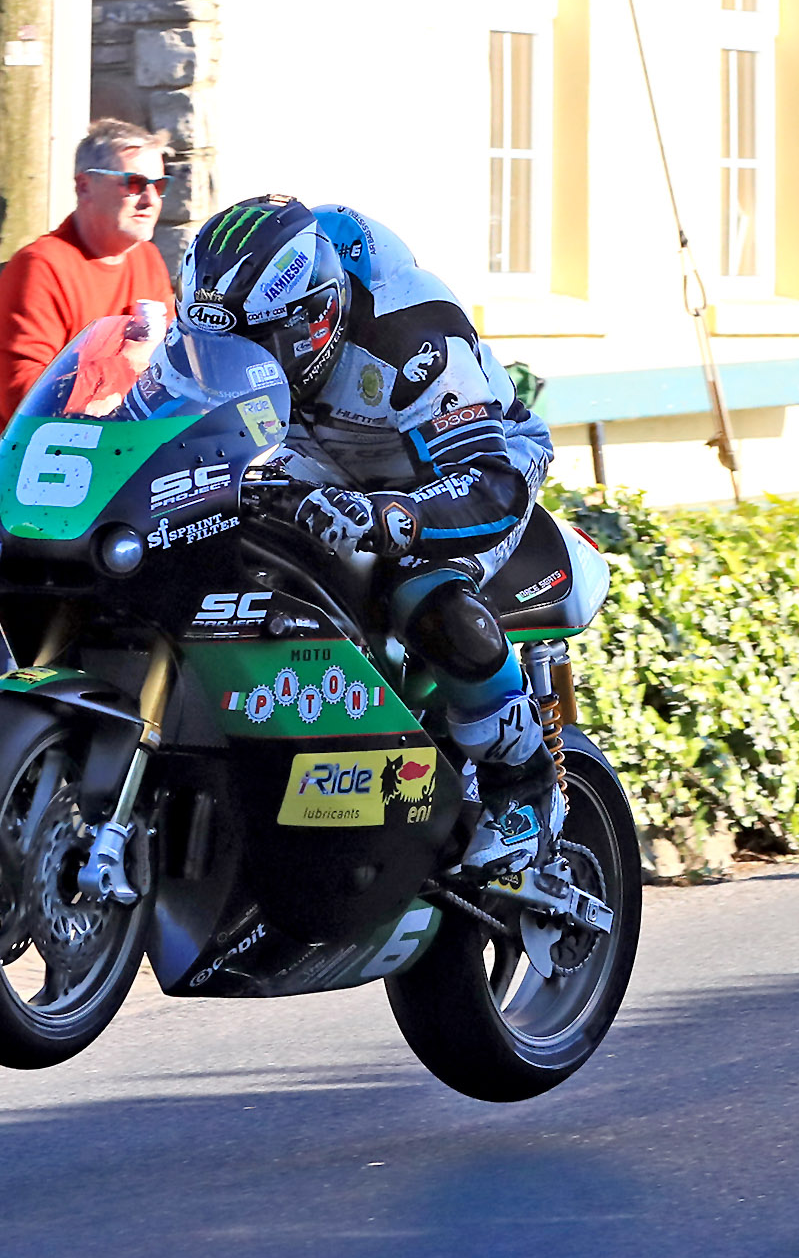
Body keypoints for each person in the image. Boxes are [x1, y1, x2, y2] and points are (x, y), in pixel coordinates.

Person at [177, 194, 560, 877]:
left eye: (255, 345)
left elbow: (489, 483)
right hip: (324, 452)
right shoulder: (236, 324)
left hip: (468, 461)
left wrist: (393, 515)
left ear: (316, 316)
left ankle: (522, 782)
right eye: (216, 345)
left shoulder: (412, 340)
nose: (233, 361)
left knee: (421, 585)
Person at [0, 119, 176, 893]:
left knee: (37, 684)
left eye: (160, 181)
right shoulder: (41, 266)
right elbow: (30, 392)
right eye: (132, 181)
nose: (149, 196)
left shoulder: (150, 263)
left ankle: (1, 855)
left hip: (76, 503)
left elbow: (171, 373)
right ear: (85, 185)